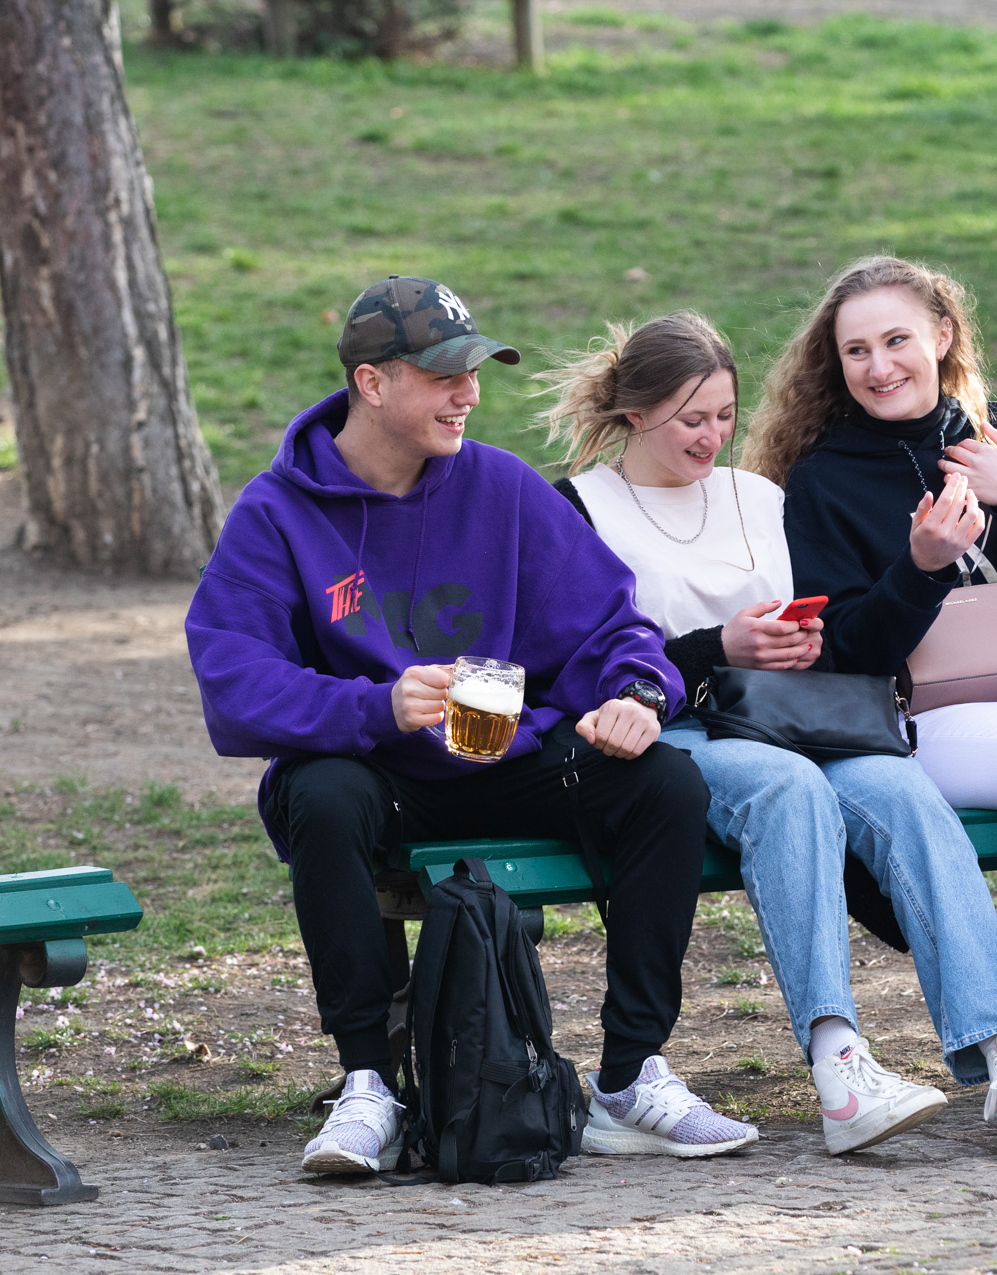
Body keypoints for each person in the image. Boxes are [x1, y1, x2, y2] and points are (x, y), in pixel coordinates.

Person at [185, 276, 759, 1176]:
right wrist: (370, 707)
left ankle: (628, 1078)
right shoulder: (277, 512)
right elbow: (232, 678)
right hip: (379, 775)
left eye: (478, 372)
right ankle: (368, 1087)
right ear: (372, 384)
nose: (470, 393)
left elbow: (613, 627)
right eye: (445, 374)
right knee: (320, 794)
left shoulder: (497, 485)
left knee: (663, 784)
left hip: (506, 756)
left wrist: (640, 696)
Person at [540, 310, 997, 1151]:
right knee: (788, 791)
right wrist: (720, 649)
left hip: (793, 720)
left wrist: (804, 641)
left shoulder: (761, 497)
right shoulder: (580, 508)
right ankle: (840, 1067)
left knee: (904, 793)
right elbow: (577, 662)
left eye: (722, 416)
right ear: (634, 413)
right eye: (688, 420)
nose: (711, 437)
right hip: (679, 736)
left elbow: (826, 639)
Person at [749, 256, 997, 1135]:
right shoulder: (821, 480)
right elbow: (841, 652)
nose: (878, 365)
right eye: (856, 349)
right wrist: (920, 569)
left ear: (943, 336)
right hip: (916, 728)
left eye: (897, 339)